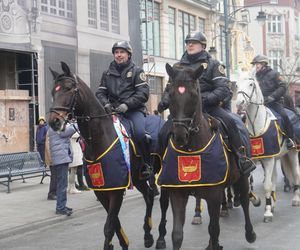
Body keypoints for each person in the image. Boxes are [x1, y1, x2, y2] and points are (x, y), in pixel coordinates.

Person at [158, 31, 256, 175]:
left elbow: (223, 89)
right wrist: (165, 100)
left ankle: (241, 158)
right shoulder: (178, 66)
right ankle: (158, 165)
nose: (190, 44)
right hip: (183, 112)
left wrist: (205, 99)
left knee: (231, 123)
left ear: (203, 46)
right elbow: (169, 89)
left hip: (210, 108)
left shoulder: (213, 64)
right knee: (163, 132)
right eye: (188, 42)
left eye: (194, 42)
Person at [95, 40, 151, 179]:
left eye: (122, 52)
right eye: (116, 52)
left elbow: (143, 93)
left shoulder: (137, 71)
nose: (119, 55)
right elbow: (100, 93)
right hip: (113, 112)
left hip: (133, 111)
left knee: (139, 133)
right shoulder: (107, 73)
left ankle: (146, 164)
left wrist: (127, 104)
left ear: (128, 54)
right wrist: (106, 104)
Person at [251, 55, 295, 149]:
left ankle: (289, 138)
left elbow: (283, 86)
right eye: (254, 64)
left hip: (273, 102)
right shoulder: (253, 76)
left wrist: (273, 97)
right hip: (260, 104)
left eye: (257, 64)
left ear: (263, 64)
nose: (255, 66)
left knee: (284, 116)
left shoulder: (274, 74)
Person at [48, 123, 77, 216]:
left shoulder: (55, 123)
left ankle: (62, 205)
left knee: (62, 184)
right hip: (61, 158)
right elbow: (66, 132)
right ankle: (60, 207)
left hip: (61, 157)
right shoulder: (55, 123)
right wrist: (77, 124)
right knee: (62, 184)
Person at [68, 123, 83, 194]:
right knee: (73, 171)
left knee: (73, 171)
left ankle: (71, 187)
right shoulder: (69, 129)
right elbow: (77, 135)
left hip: (75, 149)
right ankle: (72, 187)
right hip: (74, 150)